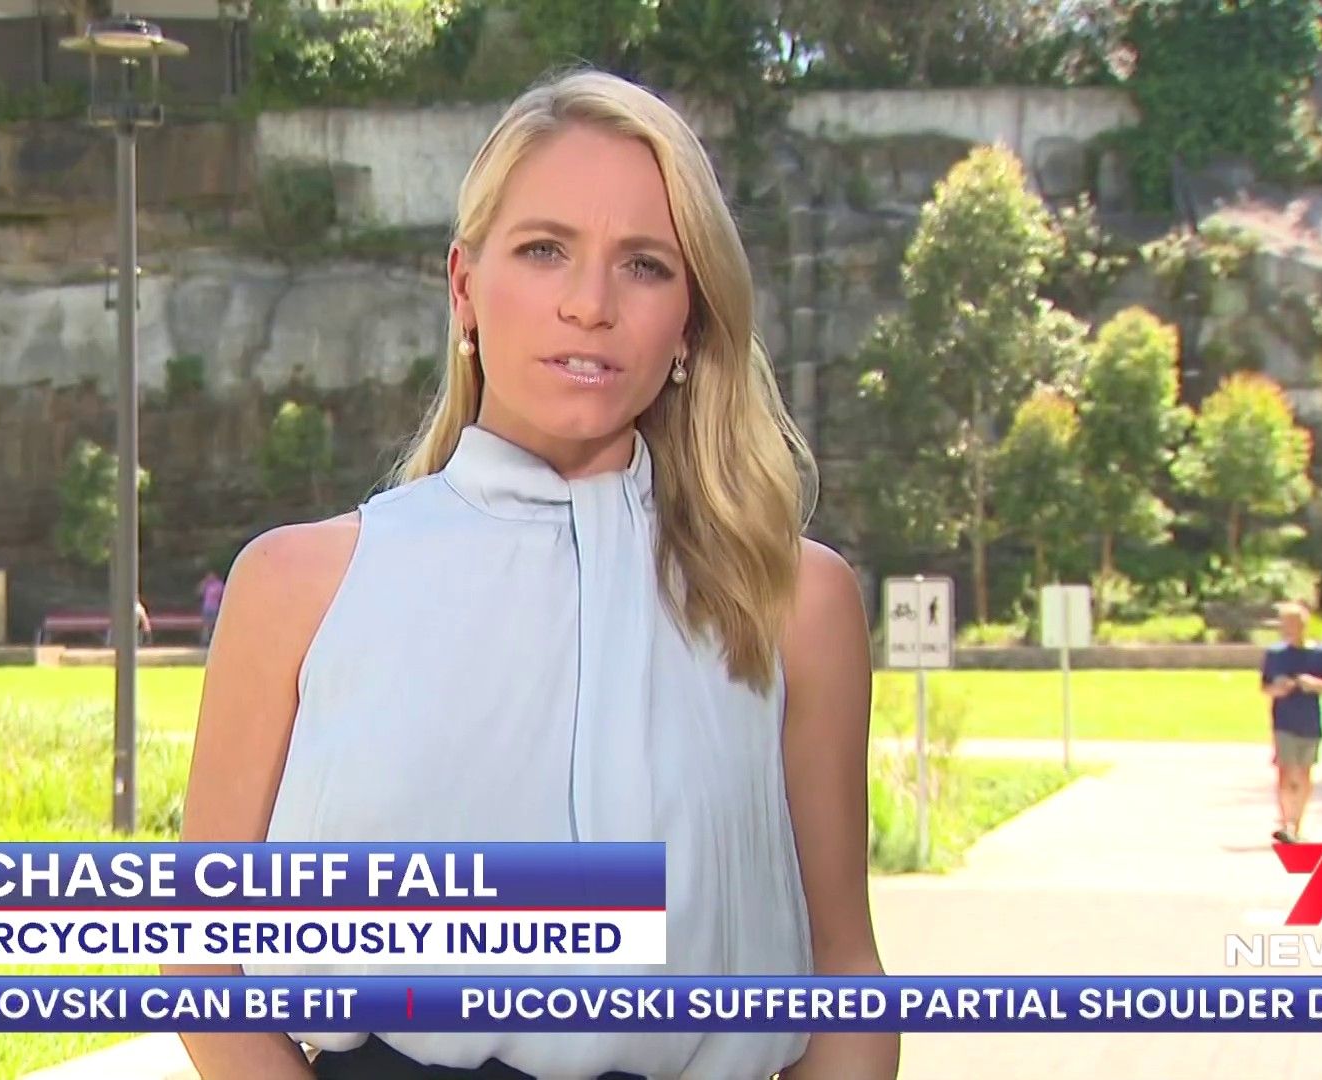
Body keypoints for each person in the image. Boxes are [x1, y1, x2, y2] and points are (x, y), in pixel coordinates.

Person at [174, 69, 898, 1080]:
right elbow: (205, 970)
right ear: (465, 287)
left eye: (644, 265)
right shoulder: (300, 588)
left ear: (690, 321)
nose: (589, 305)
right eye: (544, 250)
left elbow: (845, 979)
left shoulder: (792, 604)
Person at [1260, 601, 1322, 844]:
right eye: (1284, 624)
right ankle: (1286, 823)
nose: (1287, 628)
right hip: (1283, 721)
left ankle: (1298, 822)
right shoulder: (1275, 655)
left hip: (1310, 721)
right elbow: (1265, 687)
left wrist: (1313, 684)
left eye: (1292, 624)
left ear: (1304, 625)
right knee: (1285, 772)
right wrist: (1279, 688)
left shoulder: (1321, 655)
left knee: (1304, 774)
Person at [197, 570, 226, 646]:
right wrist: (204, 583)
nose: (210, 577)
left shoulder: (219, 585)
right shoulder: (207, 584)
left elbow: (222, 595)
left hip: (215, 607)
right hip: (206, 607)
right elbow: (200, 592)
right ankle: (205, 641)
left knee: (213, 624)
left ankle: (214, 641)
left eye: (211, 575)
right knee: (206, 625)